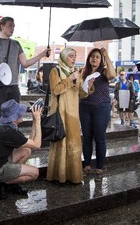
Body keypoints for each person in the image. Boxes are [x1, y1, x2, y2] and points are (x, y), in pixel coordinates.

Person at [0, 16, 51, 127]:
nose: (12, 28)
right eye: (10, 26)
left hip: (13, 86)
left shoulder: (16, 44)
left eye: (14, 26)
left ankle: (12, 139)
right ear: (1, 26)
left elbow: (25, 63)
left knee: (14, 117)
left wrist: (42, 54)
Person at [46, 48, 94, 186]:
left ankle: (73, 176)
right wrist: (69, 79)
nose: (73, 59)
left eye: (75, 56)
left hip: (73, 114)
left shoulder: (76, 73)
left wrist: (88, 87)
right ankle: (58, 176)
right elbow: (55, 90)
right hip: (60, 112)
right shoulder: (55, 71)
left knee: (73, 143)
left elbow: (81, 94)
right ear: (64, 57)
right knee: (61, 143)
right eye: (71, 56)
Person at [0, 99, 43, 200]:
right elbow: (37, 144)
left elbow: (30, 143)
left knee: (26, 150)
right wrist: (38, 120)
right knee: (35, 173)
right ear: (14, 117)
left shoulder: (6, 126)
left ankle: (7, 180)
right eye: (20, 112)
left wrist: (34, 120)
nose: (22, 114)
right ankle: (1, 182)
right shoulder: (9, 132)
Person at [79, 48, 116, 182]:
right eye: (92, 57)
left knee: (100, 138)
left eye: (97, 57)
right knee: (87, 138)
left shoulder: (104, 71)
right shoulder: (83, 73)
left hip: (101, 108)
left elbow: (112, 75)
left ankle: (99, 168)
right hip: (84, 107)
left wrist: (106, 54)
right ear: (89, 59)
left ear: (101, 60)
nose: (94, 59)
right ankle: (87, 165)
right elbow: (79, 91)